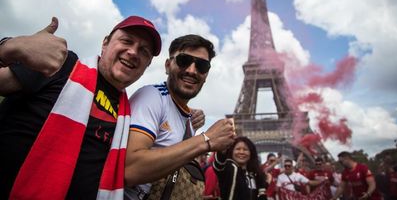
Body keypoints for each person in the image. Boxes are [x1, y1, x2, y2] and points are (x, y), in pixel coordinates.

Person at [0, 15, 162, 199]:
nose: (133, 52)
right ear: (105, 43)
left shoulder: (128, 115)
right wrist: (8, 48)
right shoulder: (62, 64)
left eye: (144, 51)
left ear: (147, 65)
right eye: (127, 41)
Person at [124, 34, 236, 199]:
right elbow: (130, 170)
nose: (192, 70)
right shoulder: (152, 96)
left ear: (206, 74)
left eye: (202, 65)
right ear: (168, 65)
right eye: (184, 61)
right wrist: (206, 140)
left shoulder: (187, 118)